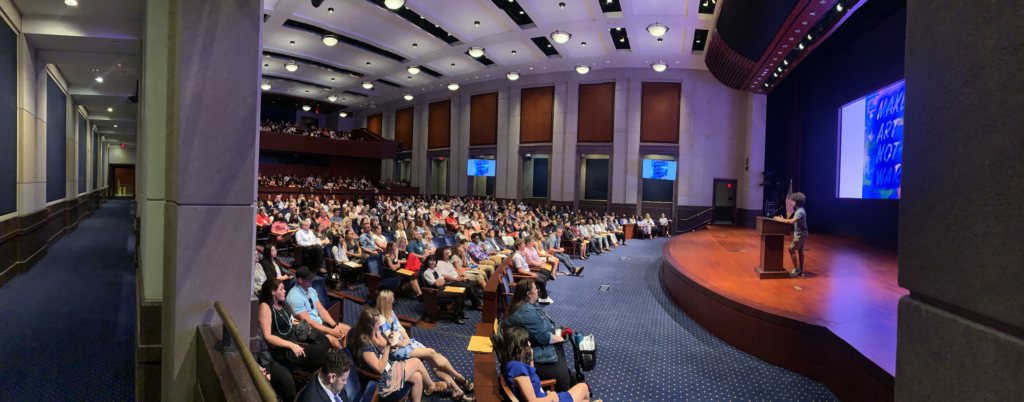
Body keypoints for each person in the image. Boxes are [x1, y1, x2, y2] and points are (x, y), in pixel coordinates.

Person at [375, 291, 475, 401]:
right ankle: (460, 378)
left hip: (405, 344)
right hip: (396, 351)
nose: (394, 300)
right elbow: (392, 342)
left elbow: (400, 328)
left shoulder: (390, 312)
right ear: (386, 302)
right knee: (432, 353)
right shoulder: (380, 320)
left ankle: (456, 389)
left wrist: (407, 339)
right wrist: (404, 342)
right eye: (392, 299)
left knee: (434, 360)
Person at [348, 308, 443, 402]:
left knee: (418, 376)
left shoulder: (373, 333)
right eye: (377, 324)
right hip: (382, 381)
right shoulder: (364, 346)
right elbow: (380, 369)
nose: (379, 325)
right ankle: (431, 386)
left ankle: (431, 386)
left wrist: (390, 341)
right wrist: (388, 346)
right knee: (417, 362)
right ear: (370, 326)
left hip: (388, 367)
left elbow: (384, 347)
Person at [258, 278, 328, 402]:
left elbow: (290, 323)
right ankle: (313, 391)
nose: (285, 291)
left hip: (292, 340)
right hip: (280, 349)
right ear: (273, 292)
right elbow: (268, 336)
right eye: (281, 289)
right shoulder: (265, 307)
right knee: (318, 354)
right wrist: (291, 345)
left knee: (324, 343)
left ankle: (313, 385)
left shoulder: (281, 304)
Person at [503, 278, 572, 392]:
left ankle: (565, 379)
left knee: (559, 349)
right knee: (562, 375)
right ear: (528, 294)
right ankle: (562, 387)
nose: (537, 291)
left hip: (530, 346)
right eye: (535, 289)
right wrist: (558, 337)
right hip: (527, 356)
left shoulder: (530, 305)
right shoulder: (526, 313)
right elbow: (543, 337)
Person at [492, 325, 590, 402]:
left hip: (544, 396)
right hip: (547, 399)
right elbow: (533, 401)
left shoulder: (511, 364)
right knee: (583, 387)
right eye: (526, 342)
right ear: (519, 347)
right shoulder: (518, 370)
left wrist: (530, 359)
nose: (530, 344)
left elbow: (531, 377)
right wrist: (551, 397)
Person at [286, 266, 351, 349]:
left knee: (348, 330)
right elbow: (309, 322)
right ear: (300, 280)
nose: (312, 279)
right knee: (335, 342)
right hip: (311, 329)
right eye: (309, 278)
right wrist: (331, 331)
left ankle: (347, 355)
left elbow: (321, 311)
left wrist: (335, 326)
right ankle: (345, 358)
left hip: (319, 322)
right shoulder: (294, 297)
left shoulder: (310, 289)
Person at [421, 256, 469, 324]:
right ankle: (456, 315)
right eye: (430, 260)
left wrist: (440, 281)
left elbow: (443, 279)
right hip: (434, 291)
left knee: (462, 291)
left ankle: (460, 312)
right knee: (458, 295)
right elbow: (437, 284)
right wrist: (440, 281)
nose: (432, 262)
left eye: (434, 260)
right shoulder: (427, 272)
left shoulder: (435, 269)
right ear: (427, 262)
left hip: (442, 287)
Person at [773, 192, 808, 277]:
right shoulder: (800, 209)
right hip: (804, 234)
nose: (791, 203)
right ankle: (802, 270)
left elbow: (792, 221)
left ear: (798, 202)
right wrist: (783, 219)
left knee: (791, 249)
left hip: (800, 235)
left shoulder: (799, 211)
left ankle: (796, 269)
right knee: (800, 251)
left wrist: (780, 220)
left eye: (793, 201)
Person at [511, 240, 552, 305]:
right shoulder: (517, 256)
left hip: (528, 271)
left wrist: (526, 255)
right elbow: (519, 271)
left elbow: (529, 263)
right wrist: (531, 274)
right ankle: (543, 298)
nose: (524, 245)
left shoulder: (522, 253)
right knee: (541, 281)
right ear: (519, 246)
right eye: (523, 244)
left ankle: (542, 295)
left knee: (544, 277)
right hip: (524, 275)